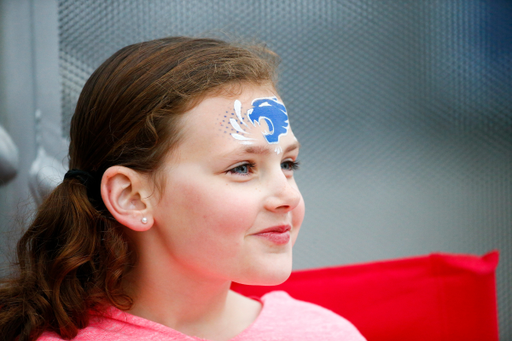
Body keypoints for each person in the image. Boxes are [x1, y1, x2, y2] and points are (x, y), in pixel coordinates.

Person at [0, 37, 366, 341]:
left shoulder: (324, 333)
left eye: (288, 164)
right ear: (132, 197)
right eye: (242, 168)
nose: (288, 197)